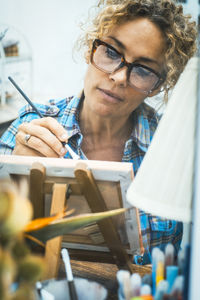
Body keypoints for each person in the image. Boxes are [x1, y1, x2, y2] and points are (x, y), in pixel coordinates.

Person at [0, 0, 197, 264]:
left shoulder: (173, 148)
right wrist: (13, 180)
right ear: (90, 47)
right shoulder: (31, 128)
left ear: (160, 86)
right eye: (112, 52)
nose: (118, 78)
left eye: (142, 69)